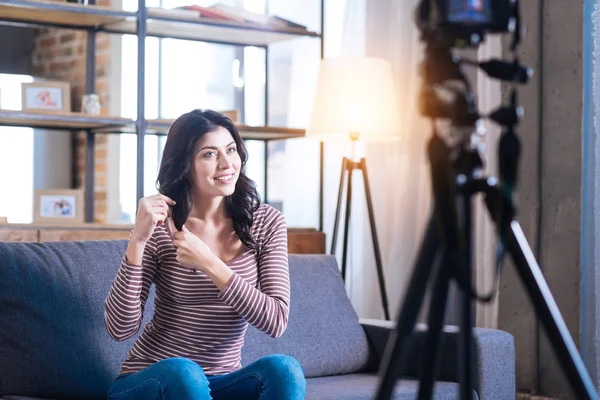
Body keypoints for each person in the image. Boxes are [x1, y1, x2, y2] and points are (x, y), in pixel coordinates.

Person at [104, 109, 306, 400]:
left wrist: (209, 263)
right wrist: (138, 239)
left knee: (284, 370)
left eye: (231, 150)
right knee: (185, 373)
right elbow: (120, 329)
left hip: (221, 381)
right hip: (152, 382)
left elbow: (275, 321)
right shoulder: (161, 225)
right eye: (209, 154)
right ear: (185, 165)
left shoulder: (266, 223)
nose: (227, 164)